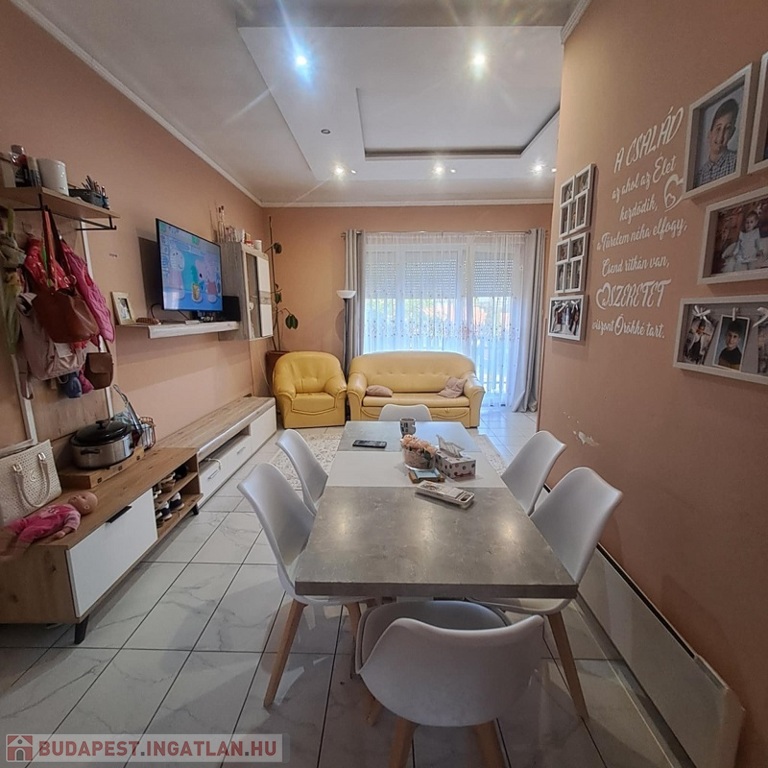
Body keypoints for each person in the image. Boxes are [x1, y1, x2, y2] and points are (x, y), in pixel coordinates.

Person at [0, 491, 97, 559]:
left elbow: (72, 523)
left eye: (83, 497)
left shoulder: (73, 513)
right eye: (78, 494)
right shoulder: (61, 506)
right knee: (13, 525)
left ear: (86, 507)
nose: (77, 496)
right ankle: (2, 545)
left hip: (41, 526)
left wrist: (63, 531)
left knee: (28, 533)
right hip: (32, 520)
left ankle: (16, 554)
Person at [695, 98, 739, 188]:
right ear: (709, 134)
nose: (721, 136)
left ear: (732, 132)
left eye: (727, 129)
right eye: (718, 129)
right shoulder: (699, 175)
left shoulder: (736, 161)